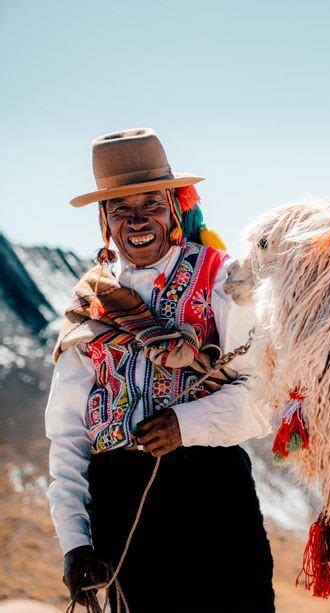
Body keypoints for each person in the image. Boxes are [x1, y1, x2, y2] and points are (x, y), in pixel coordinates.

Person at [45, 128, 275, 612]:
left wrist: (184, 426)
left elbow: (262, 398)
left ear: (175, 204)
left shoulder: (222, 279)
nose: (137, 220)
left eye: (149, 203)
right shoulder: (89, 305)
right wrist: (75, 544)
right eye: (121, 209)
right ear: (104, 219)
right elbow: (68, 434)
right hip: (121, 504)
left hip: (213, 492)